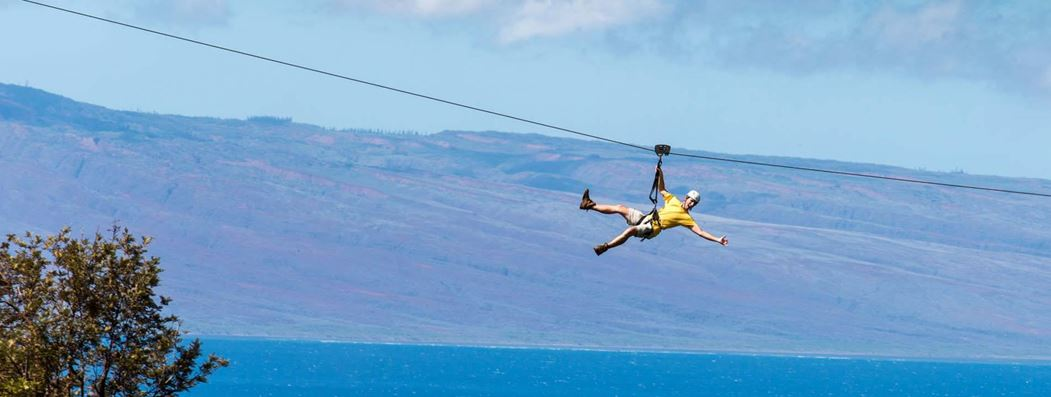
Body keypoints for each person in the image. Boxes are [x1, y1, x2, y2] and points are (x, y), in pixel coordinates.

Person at [579, 167, 728, 255]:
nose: (691, 204)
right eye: (691, 200)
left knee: (630, 231)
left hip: (652, 228)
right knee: (620, 208)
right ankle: (589, 205)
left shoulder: (686, 218)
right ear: (686, 197)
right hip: (646, 217)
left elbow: (701, 232)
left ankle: (606, 247)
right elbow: (662, 189)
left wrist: (717, 240)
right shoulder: (673, 200)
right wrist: (660, 173)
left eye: (694, 203)